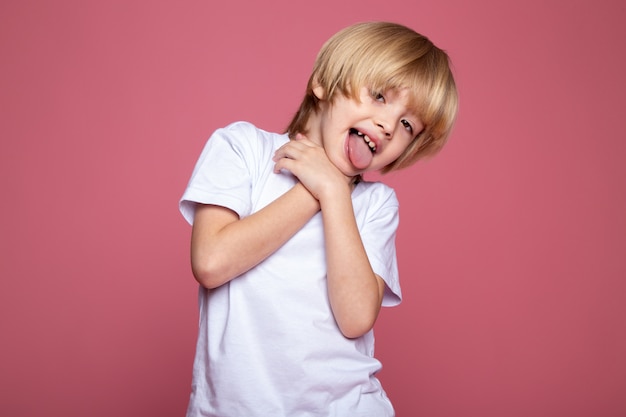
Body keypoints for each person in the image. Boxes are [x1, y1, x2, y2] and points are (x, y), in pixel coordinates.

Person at [179, 21, 458, 417]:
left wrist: (335, 189)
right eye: (379, 96)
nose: (388, 125)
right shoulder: (242, 148)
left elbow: (357, 317)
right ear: (324, 83)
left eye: (408, 125)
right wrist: (316, 188)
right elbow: (211, 263)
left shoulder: (375, 204)